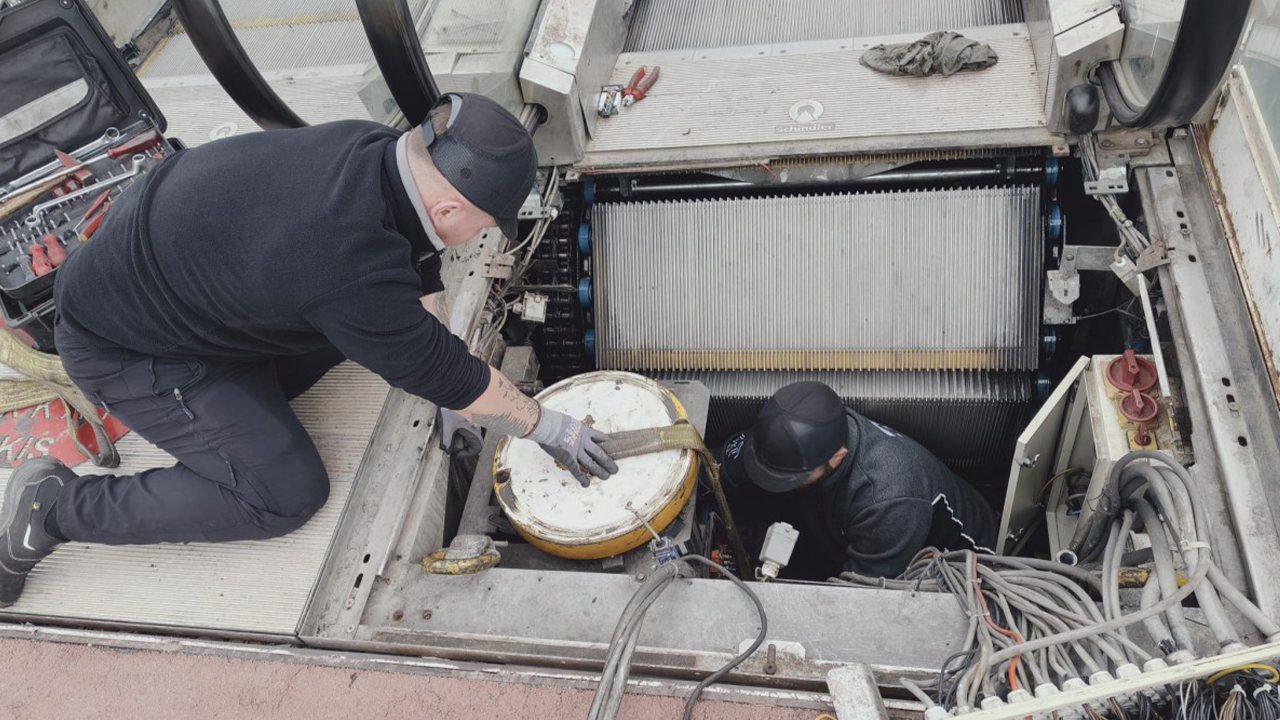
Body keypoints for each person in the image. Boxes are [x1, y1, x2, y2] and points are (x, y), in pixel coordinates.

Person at [0, 93, 617, 606]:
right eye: (485, 223)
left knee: (377, 336)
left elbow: (418, 267)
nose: (485, 233)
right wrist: (545, 426)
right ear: (450, 205)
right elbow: (424, 347)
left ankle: (231, 406)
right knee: (283, 493)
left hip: (173, 286)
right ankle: (53, 509)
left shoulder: (377, 150)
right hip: (128, 352)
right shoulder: (344, 260)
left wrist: (449, 386)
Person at [718, 381, 996, 579]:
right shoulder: (794, 431)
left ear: (838, 456)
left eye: (792, 478)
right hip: (848, 522)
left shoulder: (887, 500)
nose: (778, 483)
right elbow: (720, 464)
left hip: (956, 561)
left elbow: (856, 596)